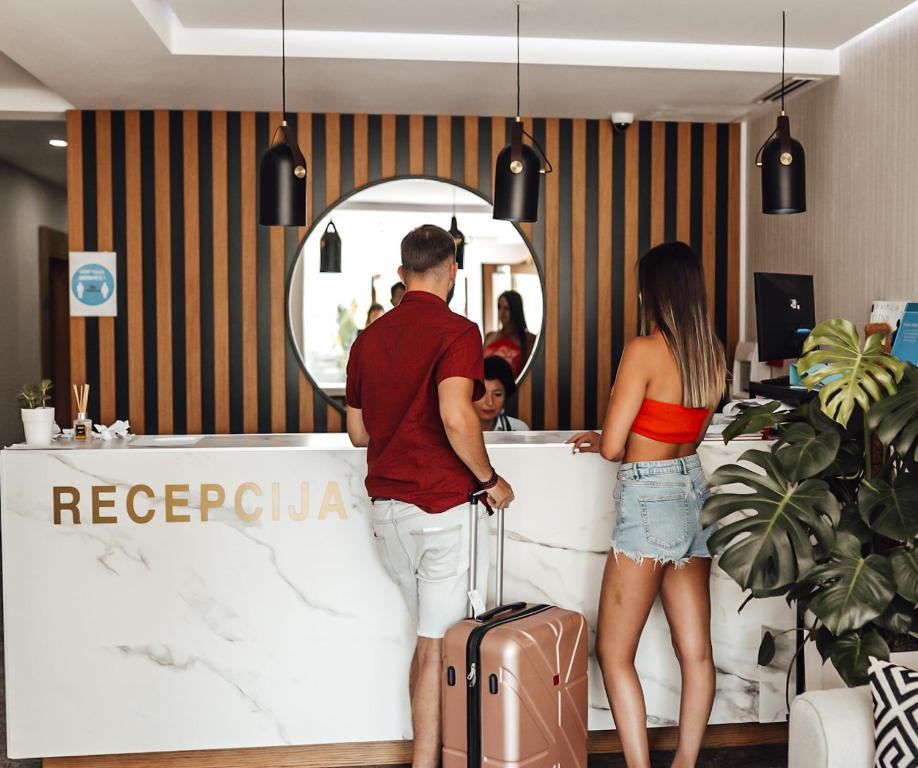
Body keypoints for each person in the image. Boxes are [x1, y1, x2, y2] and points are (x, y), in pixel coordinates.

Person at [345, 224, 514, 768]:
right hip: (440, 510)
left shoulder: (368, 339)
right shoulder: (458, 331)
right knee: (436, 646)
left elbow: (358, 434)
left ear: (402, 272)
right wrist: (489, 479)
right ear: (453, 271)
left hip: (387, 515)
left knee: (426, 639)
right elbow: (455, 416)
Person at [567, 241, 726, 768]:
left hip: (649, 498)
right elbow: (688, 436)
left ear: (652, 294)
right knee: (696, 653)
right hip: (692, 492)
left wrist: (610, 435)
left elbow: (615, 447)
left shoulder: (643, 351)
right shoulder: (711, 354)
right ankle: (685, 763)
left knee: (614, 653)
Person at [483, 290, 536, 377]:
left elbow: (529, 374)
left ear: (516, 310)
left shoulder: (529, 339)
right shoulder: (490, 337)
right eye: (499, 307)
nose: (502, 312)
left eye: (507, 308)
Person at [474, 356, 529, 431]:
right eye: (482, 393)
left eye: (497, 394)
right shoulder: (457, 429)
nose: (490, 402)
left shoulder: (518, 429)